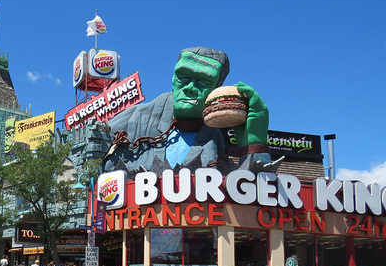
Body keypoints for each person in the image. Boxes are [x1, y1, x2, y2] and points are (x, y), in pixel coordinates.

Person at [104, 47, 274, 178]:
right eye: (183, 78)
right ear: (173, 79)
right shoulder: (137, 119)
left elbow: (250, 197)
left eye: (203, 81)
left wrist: (254, 143)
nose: (190, 88)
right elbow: (88, 158)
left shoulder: (218, 133)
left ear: (217, 89)